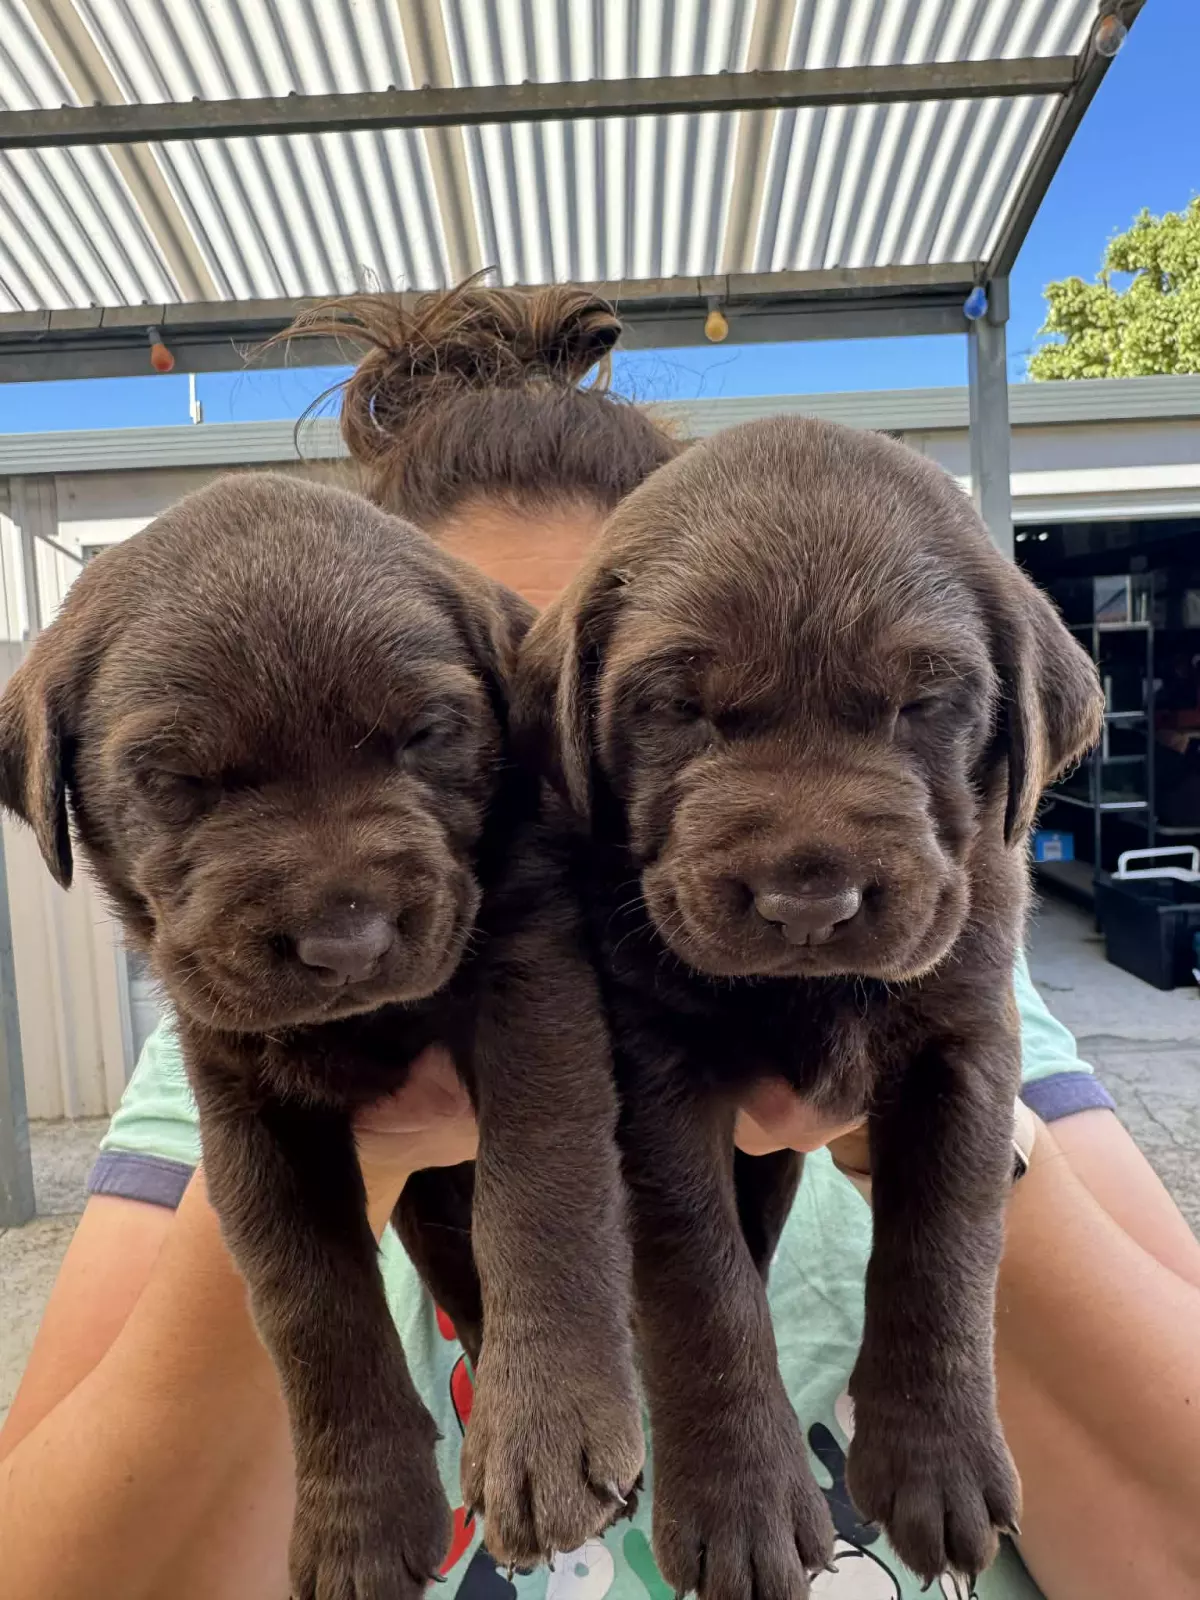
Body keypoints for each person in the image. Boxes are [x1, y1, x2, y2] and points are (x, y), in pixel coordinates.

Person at [2, 286, 1199, 1600]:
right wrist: (362, 1146)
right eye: (520, 739)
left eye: (432, 744)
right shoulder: (229, 1036)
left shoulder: (956, 949)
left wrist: (918, 1139)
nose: (549, 796)